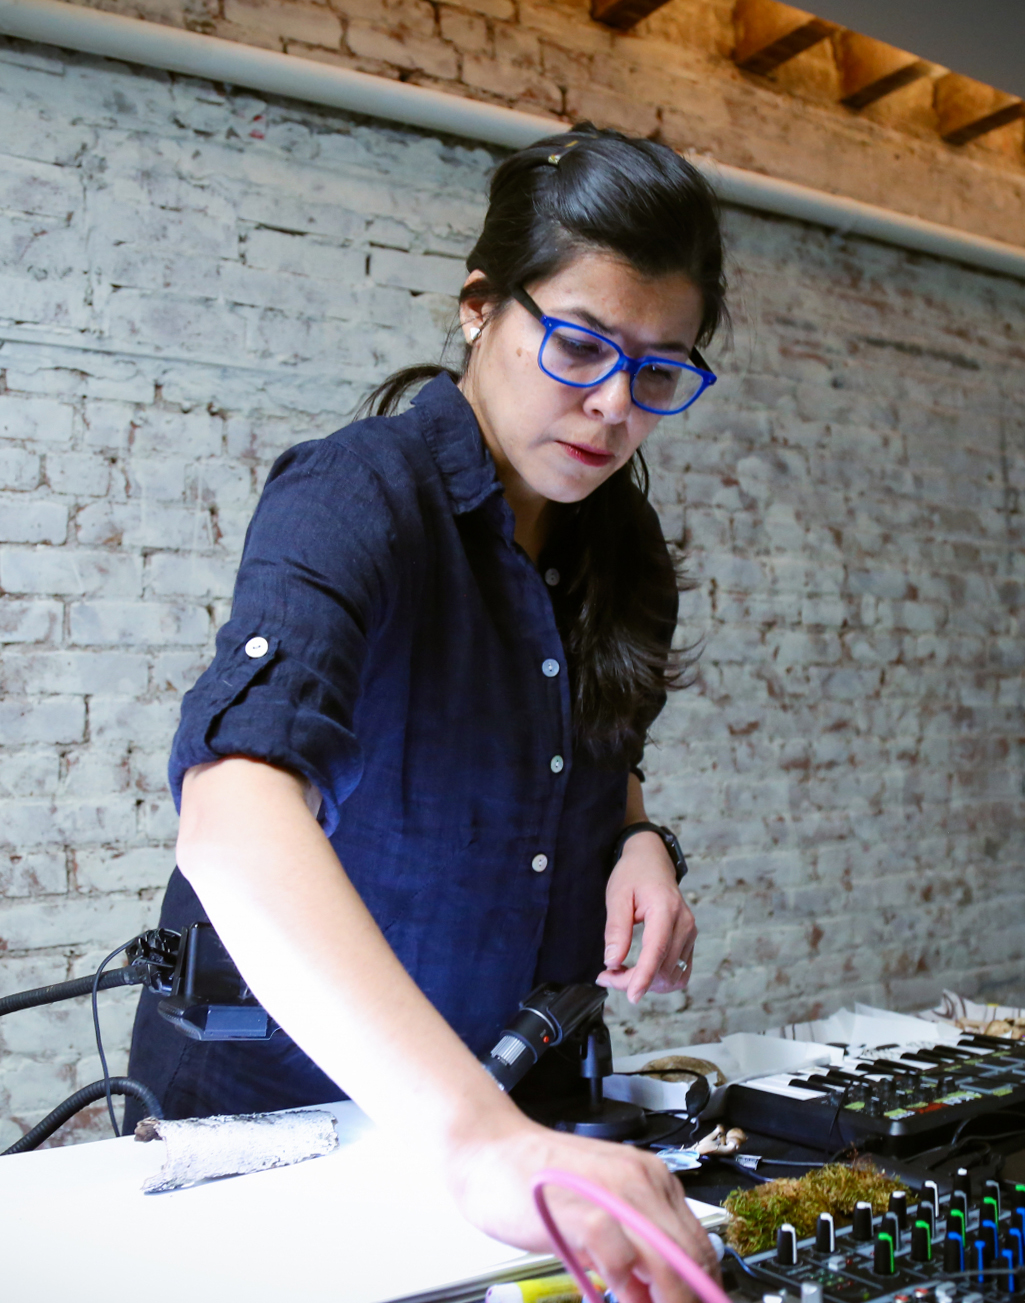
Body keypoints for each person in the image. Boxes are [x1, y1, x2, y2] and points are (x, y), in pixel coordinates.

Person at [124, 124, 729, 1303]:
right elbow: (232, 810)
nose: (612, 407)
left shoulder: (623, 542)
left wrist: (638, 837)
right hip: (287, 1130)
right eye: (578, 345)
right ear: (479, 308)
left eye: (656, 372)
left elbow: (591, 751)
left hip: (518, 1104)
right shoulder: (358, 493)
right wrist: (474, 1137)